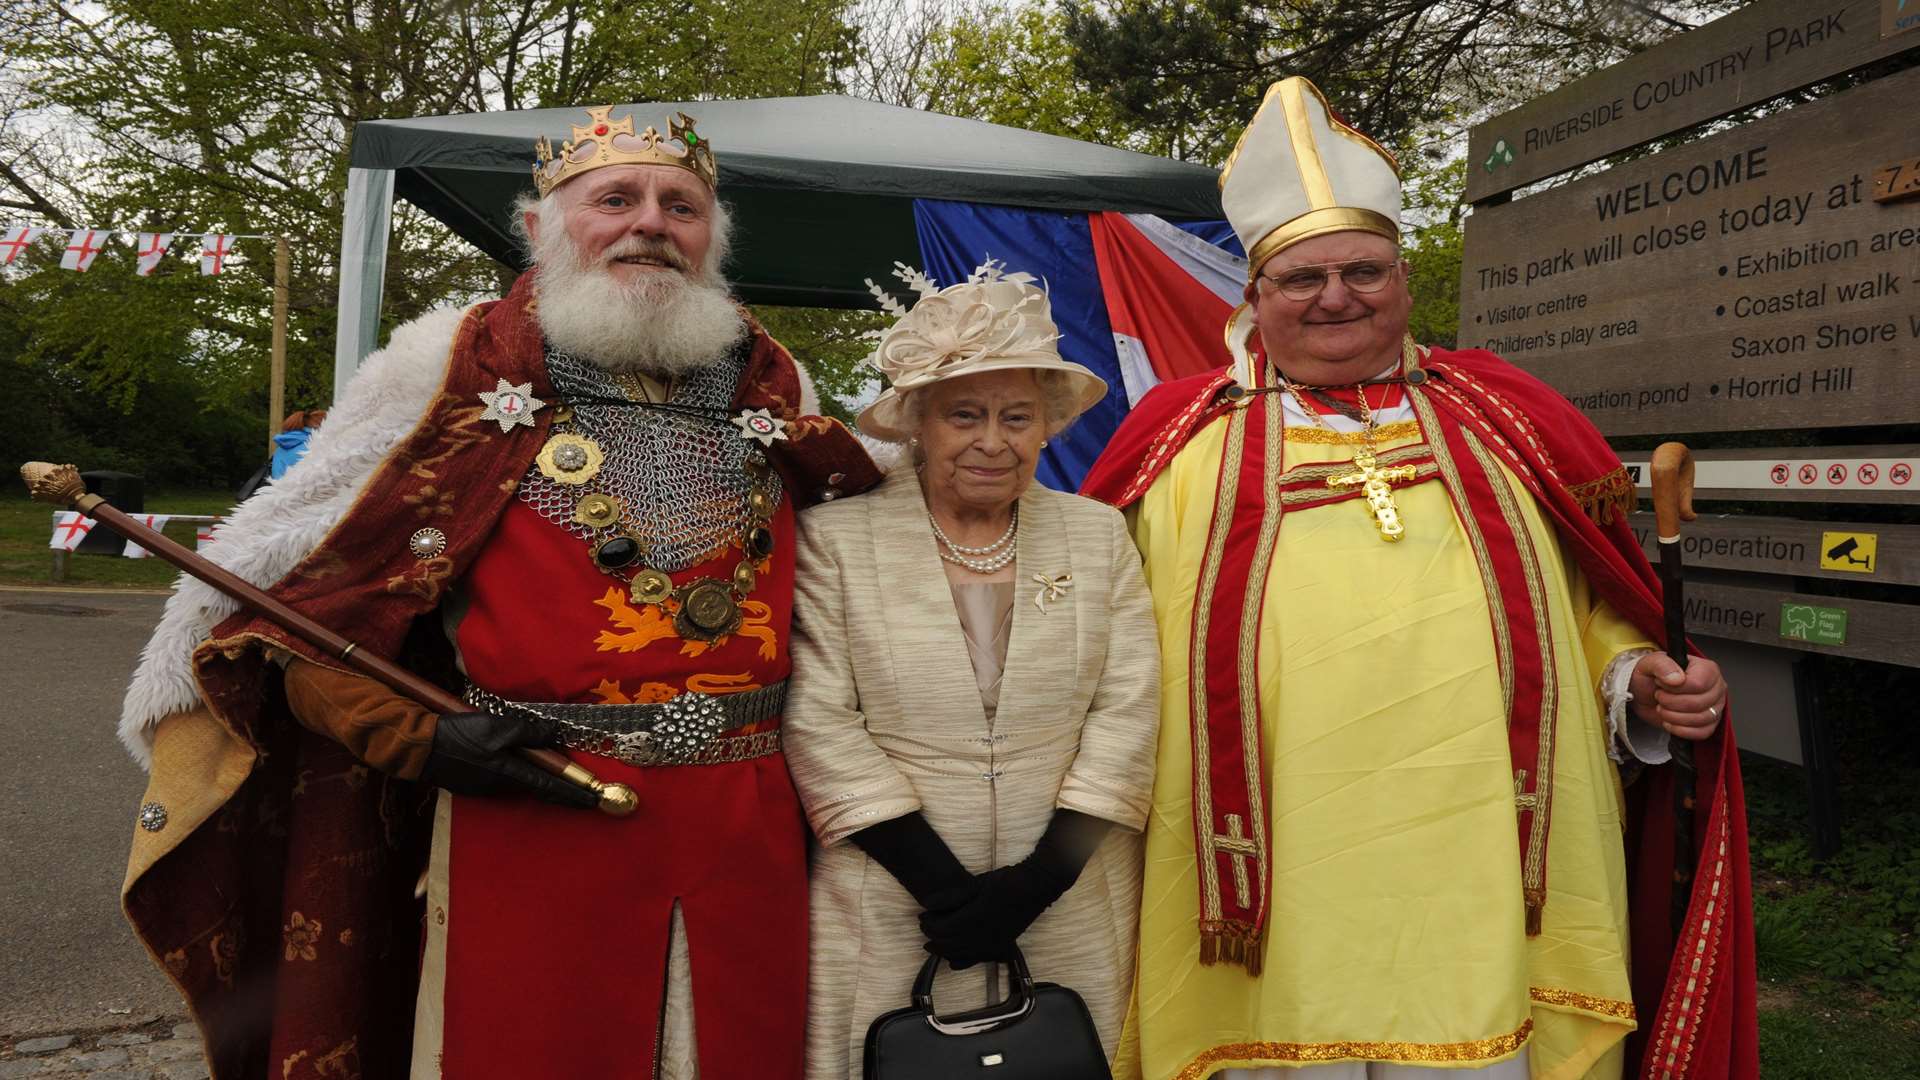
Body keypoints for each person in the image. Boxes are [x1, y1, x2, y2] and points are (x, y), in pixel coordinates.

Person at [116, 106, 880, 1080]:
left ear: (711, 237)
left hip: (752, 829)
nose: (651, 222)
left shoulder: (773, 392)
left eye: (681, 206)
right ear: (542, 228)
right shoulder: (443, 376)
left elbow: (870, 549)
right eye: (616, 198)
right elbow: (295, 625)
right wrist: (420, 737)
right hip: (530, 816)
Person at [1080, 78, 1756, 1079]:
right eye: (1301, 279)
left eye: (1363, 270)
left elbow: (1589, 608)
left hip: (1485, 862)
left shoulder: (1505, 419)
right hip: (1263, 879)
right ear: (1254, 299)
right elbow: (1085, 625)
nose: (1337, 297)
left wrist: (1639, 686)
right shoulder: (1177, 442)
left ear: (1404, 281)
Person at [783, 262, 1161, 1077]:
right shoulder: (837, 541)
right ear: (919, 421)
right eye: (965, 415)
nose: (994, 440)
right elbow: (819, 720)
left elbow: (1130, 705)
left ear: (1046, 426)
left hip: (1069, 883)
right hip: (893, 894)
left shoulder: (1097, 535)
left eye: (1018, 416)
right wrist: (943, 888)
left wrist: (1035, 885)